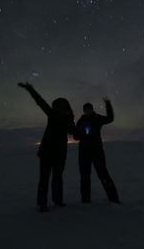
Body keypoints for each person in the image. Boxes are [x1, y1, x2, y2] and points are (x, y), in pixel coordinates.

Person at [18, 82, 75, 212]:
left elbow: (73, 132)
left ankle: (58, 200)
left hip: (60, 153)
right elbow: (40, 101)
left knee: (57, 178)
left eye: (62, 105)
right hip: (47, 152)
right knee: (44, 178)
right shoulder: (52, 114)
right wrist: (31, 89)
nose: (60, 107)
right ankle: (43, 203)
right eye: (58, 105)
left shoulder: (68, 118)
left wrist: (74, 122)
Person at [73, 97, 120, 204]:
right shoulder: (80, 121)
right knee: (84, 177)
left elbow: (110, 118)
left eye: (89, 109)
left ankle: (113, 198)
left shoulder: (97, 118)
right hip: (84, 153)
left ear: (92, 109)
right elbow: (76, 137)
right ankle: (85, 200)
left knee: (103, 174)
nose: (87, 110)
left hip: (97, 151)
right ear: (84, 110)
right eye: (86, 109)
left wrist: (108, 104)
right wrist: (79, 132)